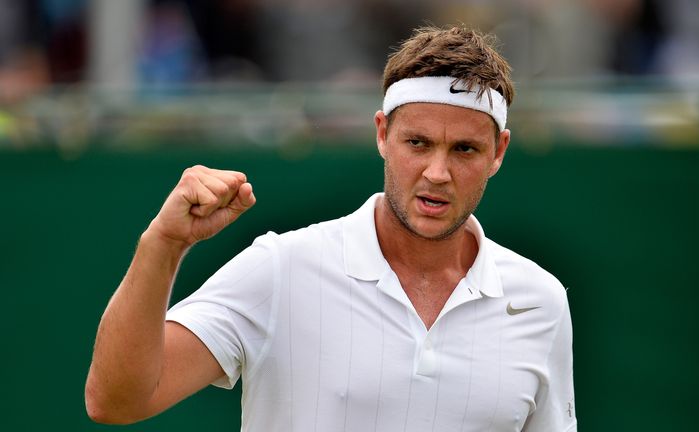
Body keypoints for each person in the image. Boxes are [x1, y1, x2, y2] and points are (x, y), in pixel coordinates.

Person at [85, 25, 576, 432]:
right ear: (383, 135)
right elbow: (117, 400)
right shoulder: (280, 266)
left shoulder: (540, 300)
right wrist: (163, 246)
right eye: (418, 143)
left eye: (464, 150)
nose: (437, 173)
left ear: (499, 152)